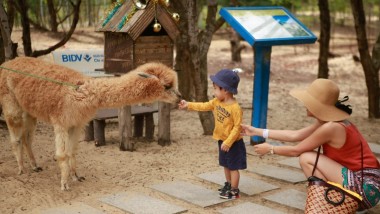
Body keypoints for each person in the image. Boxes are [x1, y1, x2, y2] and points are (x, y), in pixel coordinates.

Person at [241, 78, 379, 211]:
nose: (304, 104)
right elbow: (295, 135)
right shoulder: (328, 122)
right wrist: (255, 131)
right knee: (308, 156)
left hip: (366, 189)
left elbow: (296, 150)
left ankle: (330, 200)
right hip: (365, 185)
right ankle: (334, 198)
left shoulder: (331, 127)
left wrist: (271, 149)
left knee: (307, 157)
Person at [178, 69, 246, 199]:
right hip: (222, 140)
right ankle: (229, 184)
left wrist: (228, 142)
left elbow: (237, 127)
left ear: (225, 90)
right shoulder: (216, 102)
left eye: (215, 89)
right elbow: (204, 106)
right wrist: (188, 105)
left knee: (233, 167)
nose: (214, 92)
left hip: (233, 143)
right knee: (225, 165)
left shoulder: (235, 108)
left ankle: (234, 191)